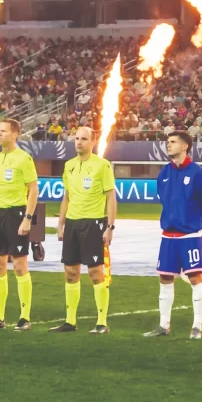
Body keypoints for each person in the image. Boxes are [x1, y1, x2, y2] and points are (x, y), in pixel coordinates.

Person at [149, 129, 202, 338]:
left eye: (173, 141)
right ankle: (164, 325)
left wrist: (196, 227)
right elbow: (164, 200)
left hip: (190, 236)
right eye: (167, 141)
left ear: (185, 146)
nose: (168, 145)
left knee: (196, 278)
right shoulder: (164, 173)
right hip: (168, 235)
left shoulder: (197, 173)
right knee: (165, 278)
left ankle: (197, 326)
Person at [0, 117, 40, 330]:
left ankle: (25, 317)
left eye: (4, 131)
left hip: (17, 215)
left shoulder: (24, 159)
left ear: (15, 134)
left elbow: (33, 190)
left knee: (19, 265)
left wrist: (27, 218)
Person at [55, 140, 115, 332]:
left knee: (95, 273)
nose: (79, 142)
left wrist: (110, 227)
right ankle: (70, 322)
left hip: (94, 223)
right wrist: (61, 223)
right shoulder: (69, 165)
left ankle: (101, 323)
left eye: (83, 139)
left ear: (92, 142)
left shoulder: (102, 165)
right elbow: (67, 197)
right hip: (72, 223)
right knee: (70, 272)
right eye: (77, 139)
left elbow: (111, 197)